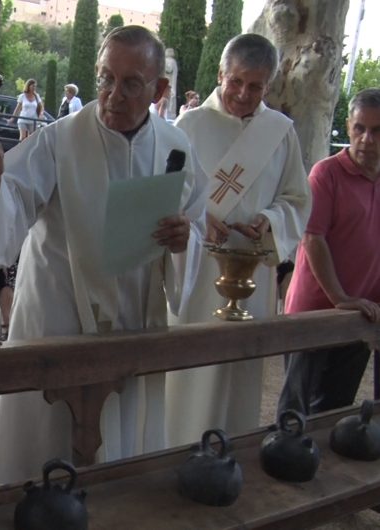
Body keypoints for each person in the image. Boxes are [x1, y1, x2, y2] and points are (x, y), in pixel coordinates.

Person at [0, 25, 207, 486]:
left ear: (160, 88)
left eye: (132, 83)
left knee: (121, 465)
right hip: (57, 320)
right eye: (105, 78)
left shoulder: (177, 148)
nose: (114, 94)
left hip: (133, 324)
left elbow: (195, 225)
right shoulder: (60, 140)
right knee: (38, 459)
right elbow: (10, 210)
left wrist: (182, 241)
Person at [165, 34, 311, 447]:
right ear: (220, 75)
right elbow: (165, 193)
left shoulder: (280, 133)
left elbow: (297, 199)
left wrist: (269, 220)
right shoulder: (188, 125)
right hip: (197, 269)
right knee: (190, 372)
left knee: (237, 372)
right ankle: (176, 449)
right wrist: (199, 215)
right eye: (237, 82)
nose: (244, 94)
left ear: (269, 86)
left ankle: (231, 450)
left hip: (252, 273)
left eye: (256, 86)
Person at [277, 88, 380, 416]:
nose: (366, 139)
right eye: (360, 128)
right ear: (348, 125)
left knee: (335, 414)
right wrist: (339, 297)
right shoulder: (326, 174)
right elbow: (313, 238)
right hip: (314, 312)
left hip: (361, 314)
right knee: (294, 414)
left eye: (377, 131)